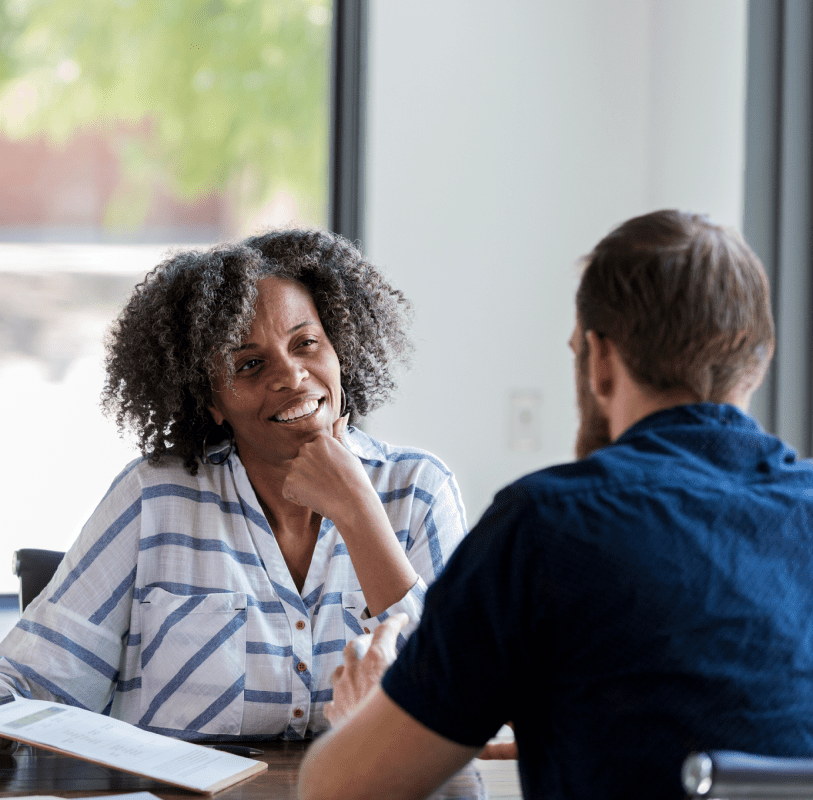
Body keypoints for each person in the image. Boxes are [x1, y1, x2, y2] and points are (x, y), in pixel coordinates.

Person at [0, 228, 478, 786]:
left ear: (340, 349)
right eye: (250, 365)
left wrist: (360, 514)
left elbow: (467, 695)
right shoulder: (155, 498)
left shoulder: (418, 492)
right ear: (212, 400)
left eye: (307, 343)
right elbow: (32, 676)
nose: (292, 377)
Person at [297, 210, 813, 800]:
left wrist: (369, 710)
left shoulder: (544, 527)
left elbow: (336, 789)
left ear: (599, 360)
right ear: (760, 359)